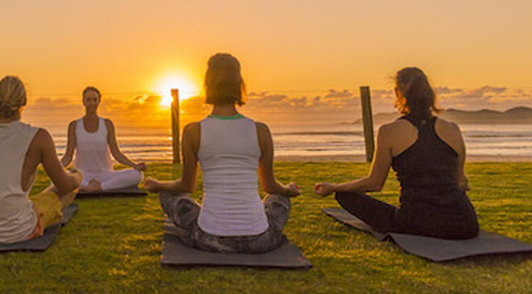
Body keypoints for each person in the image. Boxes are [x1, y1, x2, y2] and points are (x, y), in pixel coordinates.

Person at [144, 53, 300, 253]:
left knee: (167, 193)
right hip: (259, 240)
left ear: (207, 85)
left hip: (209, 238)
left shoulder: (193, 131)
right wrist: (289, 189)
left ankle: (212, 217)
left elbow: (186, 186)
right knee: (279, 199)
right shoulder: (261, 130)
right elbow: (270, 186)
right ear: (239, 85)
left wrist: (159, 185)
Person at [314, 67, 479, 239]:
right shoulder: (453, 129)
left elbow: (374, 183)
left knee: (345, 196)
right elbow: (461, 181)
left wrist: (334, 187)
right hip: (464, 225)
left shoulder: (389, 132)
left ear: (397, 92)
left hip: (416, 224)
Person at [0, 75, 82, 243]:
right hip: (17, 229)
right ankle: (30, 212)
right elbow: (64, 186)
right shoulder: (39, 137)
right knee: (65, 191)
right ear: (24, 101)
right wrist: (77, 177)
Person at [60, 86, 146, 193]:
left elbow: (116, 153)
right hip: (82, 176)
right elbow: (68, 156)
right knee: (59, 177)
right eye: (89, 100)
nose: (92, 103)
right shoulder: (74, 126)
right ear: (83, 102)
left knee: (137, 175)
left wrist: (134, 165)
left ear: (99, 102)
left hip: (105, 175)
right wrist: (56, 168)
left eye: (94, 100)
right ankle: (96, 186)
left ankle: (98, 187)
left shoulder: (107, 124)